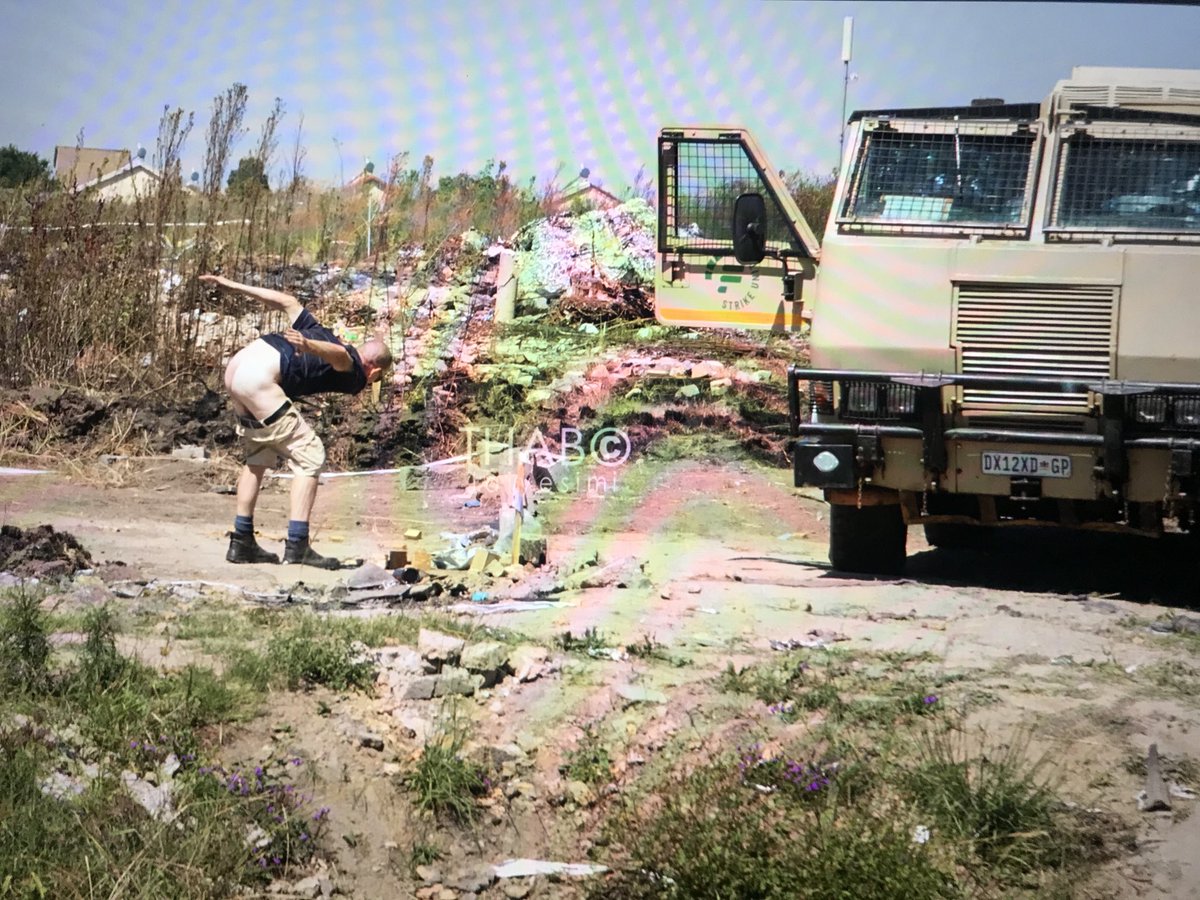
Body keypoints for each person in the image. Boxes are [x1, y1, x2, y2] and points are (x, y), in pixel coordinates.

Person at [200, 273, 392, 569]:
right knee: (311, 455)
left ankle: (241, 543)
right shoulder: (356, 370)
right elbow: (341, 356)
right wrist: (309, 346)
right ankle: (298, 545)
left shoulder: (316, 327)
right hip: (260, 379)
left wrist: (230, 285)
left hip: (238, 369)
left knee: (258, 457)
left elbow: (286, 301)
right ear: (375, 373)